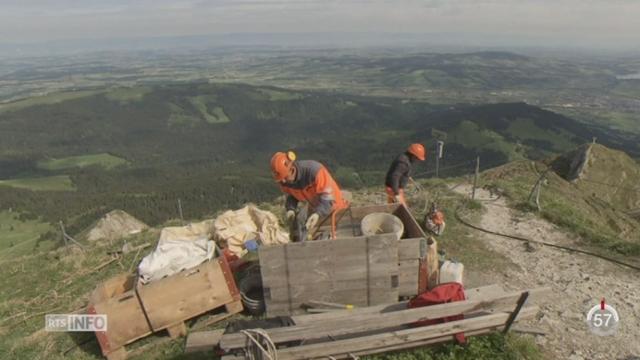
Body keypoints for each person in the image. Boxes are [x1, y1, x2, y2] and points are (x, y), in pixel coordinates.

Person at [270, 151, 347, 239]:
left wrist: (318, 213)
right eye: (281, 179)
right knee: (302, 228)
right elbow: (291, 196)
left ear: (292, 169)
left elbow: (328, 198)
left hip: (336, 211)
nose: (283, 181)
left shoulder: (314, 171)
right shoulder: (284, 182)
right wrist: (290, 208)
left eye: (285, 177)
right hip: (316, 210)